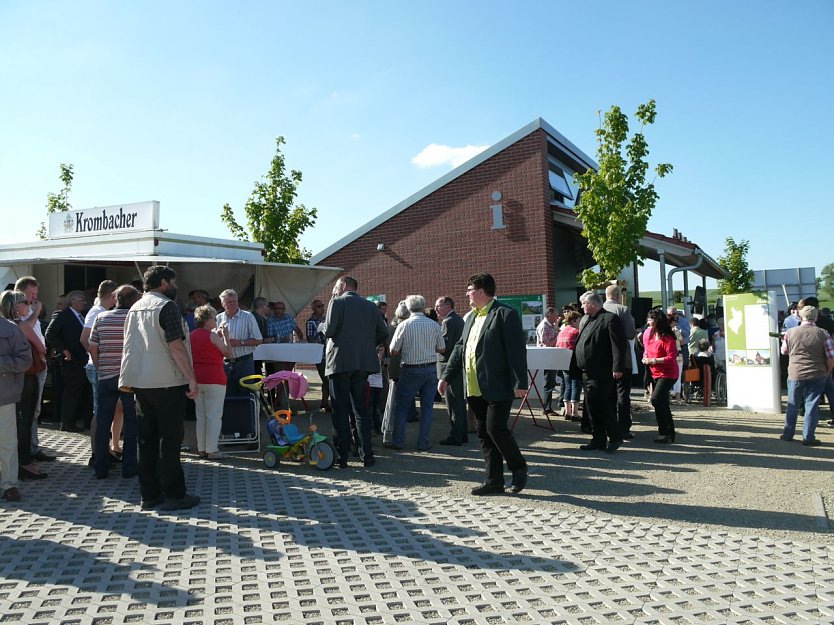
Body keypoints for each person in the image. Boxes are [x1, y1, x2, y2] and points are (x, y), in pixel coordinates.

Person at [439, 273, 528, 495]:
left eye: (469, 289)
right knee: (483, 433)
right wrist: (446, 376)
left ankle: (519, 468)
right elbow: (460, 348)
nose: (467, 293)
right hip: (474, 386)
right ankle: (494, 481)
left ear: (480, 291)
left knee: (495, 428)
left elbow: (516, 351)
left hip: (498, 385)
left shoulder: (505, 314)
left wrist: (520, 382)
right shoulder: (470, 317)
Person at [119, 265, 200, 511]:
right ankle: (174, 494)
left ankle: (149, 495)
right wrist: (191, 378)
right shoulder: (167, 306)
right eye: (173, 282)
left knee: (147, 441)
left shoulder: (135, 307)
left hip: (141, 383)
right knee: (171, 441)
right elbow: (176, 346)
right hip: (167, 382)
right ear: (164, 282)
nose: (176, 287)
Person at [323, 276, 388, 468]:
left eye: (335, 287)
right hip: (363, 364)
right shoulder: (370, 306)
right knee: (362, 411)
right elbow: (383, 332)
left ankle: (342, 456)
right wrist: (367, 346)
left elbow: (328, 331)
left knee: (340, 410)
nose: (333, 291)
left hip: (340, 364)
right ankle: (366, 454)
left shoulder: (336, 302)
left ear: (343, 286)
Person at [88, 284, 141, 479]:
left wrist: (100, 366)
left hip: (106, 376)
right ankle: (129, 467)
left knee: (103, 422)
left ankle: (100, 467)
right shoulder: (135, 319)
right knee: (131, 422)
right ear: (134, 300)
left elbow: (93, 346)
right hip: (129, 378)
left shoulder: (101, 318)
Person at [571, 291, 627, 452]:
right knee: (591, 406)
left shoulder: (609, 319)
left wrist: (618, 367)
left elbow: (619, 345)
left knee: (601, 405)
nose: (582, 306)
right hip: (586, 371)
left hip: (601, 371)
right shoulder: (587, 319)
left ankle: (615, 437)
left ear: (593, 304)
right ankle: (598, 439)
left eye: (584, 303)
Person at [389, 295, 445, 451]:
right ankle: (423, 443)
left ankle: (398, 441)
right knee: (427, 408)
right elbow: (442, 348)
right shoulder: (434, 325)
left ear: (408, 308)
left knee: (402, 407)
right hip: (430, 369)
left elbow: (393, 350)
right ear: (423, 306)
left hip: (410, 369)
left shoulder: (404, 325)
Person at [2, 291, 47, 481]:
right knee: (25, 421)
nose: (29, 305)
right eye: (26, 302)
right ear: (17, 306)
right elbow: (41, 348)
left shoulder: (12, 326)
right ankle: (24, 463)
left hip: (13, 382)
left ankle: (18, 468)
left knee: (19, 423)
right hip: (24, 379)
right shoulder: (20, 326)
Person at [13, 277, 57, 463]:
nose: (35, 298)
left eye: (36, 294)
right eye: (31, 294)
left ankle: (32, 447)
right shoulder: (20, 311)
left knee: (35, 411)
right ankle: (26, 451)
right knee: (27, 411)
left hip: (38, 365)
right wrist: (36, 312)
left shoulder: (28, 309)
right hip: (29, 367)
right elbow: (25, 329)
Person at [780, 306, 834, 445]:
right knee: (812, 405)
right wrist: (827, 371)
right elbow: (831, 357)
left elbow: (784, 351)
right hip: (816, 374)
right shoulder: (823, 333)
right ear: (816, 317)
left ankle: (788, 434)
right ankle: (808, 437)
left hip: (795, 373)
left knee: (792, 404)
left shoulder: (790, 332)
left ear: (800, 316)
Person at [45, 290, 93, 432]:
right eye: (80, 300)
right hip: (71, 361)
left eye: (84, 300)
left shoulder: (84, 316)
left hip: (84, 360)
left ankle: (87, 422)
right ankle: (66, 422)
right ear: (72, 301)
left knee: (86, 393)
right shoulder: (62, 315)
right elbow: (50, 333)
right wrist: (64, 350)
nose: (83, 302)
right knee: (71, 393)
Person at [80, 280, 118, 461]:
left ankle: (105, 450)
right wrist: (97, 361)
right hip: (98, 368)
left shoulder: (100, 311)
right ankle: (97, 453)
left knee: (104, 411)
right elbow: (84, 338)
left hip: (99, 367)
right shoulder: (96, 312)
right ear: (112, 295)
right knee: (100, 411)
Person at [0, 298, 32, 502]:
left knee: (7, 442)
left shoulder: (11, 329)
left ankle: (9, 484)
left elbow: (25, 360)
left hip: (3, 396)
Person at [190, 304, 231, 460]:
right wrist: (225, 336)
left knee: (201, 415)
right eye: (214, 318)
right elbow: (228, 353)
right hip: (215, 378)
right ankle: (212, 450)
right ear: (207, 321)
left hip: (197, 378)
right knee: (214, 415)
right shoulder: (212, 336)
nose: (216, 320)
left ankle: (202, 449)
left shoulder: (191, 335)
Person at [603, 285, 637, 439]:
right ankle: (623, 428)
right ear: (618, 295)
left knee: (607, 395)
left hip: (604, 360)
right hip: (623, 359)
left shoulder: (598, 309)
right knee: (623, 394)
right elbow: (630, 334)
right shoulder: (623, 310)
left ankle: (609, 427)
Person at [642, 309, 680, 444]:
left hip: (668, 373)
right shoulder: (650, 335)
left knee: (656, 399)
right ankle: (667, 432)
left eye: (650, 320)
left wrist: (654, 360)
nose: (648, 322)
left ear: (657, 321)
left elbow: (671, 357)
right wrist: (645, 357)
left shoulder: (668, 338)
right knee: (662, 402)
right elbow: (647, 350)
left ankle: (665, 431)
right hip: (655, 373)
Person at [215, 289, 262, 396]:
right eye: (228, 302)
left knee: (245, 394)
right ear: (223, 304)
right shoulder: (218, 318)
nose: (232, 304)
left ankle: (247, 413)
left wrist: (240, 342)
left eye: (234, 301)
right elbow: (212, 340)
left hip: (244, 362)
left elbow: (259, 340)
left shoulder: (248, 316)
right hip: (225, 363)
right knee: (227, 395)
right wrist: (218, 334)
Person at [435, 296, 468, 446]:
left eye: (438, 306)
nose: (436, 309)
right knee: (459, 401)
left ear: (448, 306)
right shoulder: (459, 319)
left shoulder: (448, 322)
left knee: (453, 403)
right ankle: (462, 434)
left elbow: (444, 346)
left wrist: (431, 344)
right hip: (456, 365)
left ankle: (456, 435)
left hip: (448, 366)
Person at [381, 301, 410, 446]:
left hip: (392, 367)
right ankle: (390, 434)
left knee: (390, 403)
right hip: (401, 368)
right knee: (396, 404)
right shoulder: (403, 326)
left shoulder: (391, 325)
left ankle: (387, 431)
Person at [555, 311, 582, 420]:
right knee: (576, 386)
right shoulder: (576, 331)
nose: (580, 323)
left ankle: (567, 411)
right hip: (574, 362)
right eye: (579, 320)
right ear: (574, 320)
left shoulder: (561, 332)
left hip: (563, 362)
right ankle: (575, 413)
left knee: (567, 386)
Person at [535, 307, 561, 417]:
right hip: (547, 358)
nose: (557, 317)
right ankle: (547, 408)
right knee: (548, 382)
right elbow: (547, 344)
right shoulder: (544, 326)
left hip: (550, 357)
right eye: (556, 315)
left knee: (550, 382)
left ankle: (548, 407)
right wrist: (558, 336)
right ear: (549, 314)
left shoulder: (549, 325)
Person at [305, 299, 330, 411]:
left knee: (330, 379)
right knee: (326, 379)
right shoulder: (311, 322)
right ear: (314, 309)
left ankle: (325, 403)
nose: (322, 308)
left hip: (330, 353)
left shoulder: (327, 319)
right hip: (320, 355)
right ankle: (325, 403)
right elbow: (310, 339)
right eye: (319, 306)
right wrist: (320, 331)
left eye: (322, 306)